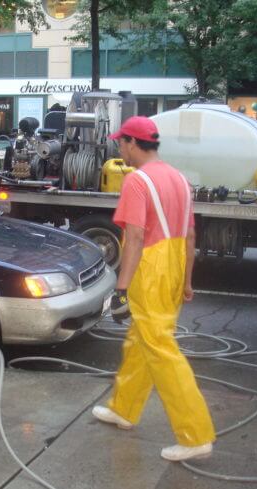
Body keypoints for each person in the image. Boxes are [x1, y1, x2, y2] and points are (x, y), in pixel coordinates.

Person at [92, 116, 216, 461]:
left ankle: (195, 435)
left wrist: (121, 288)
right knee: (141, 339)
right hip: (174, 263)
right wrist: (187, 279)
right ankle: (124, 408)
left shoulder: (136, 181)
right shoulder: (179, 178)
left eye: (121, 143)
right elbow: (190, 236)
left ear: (133, 143)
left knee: (159, 346)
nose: (119, 148)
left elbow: (133, 238)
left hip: (151, 267)